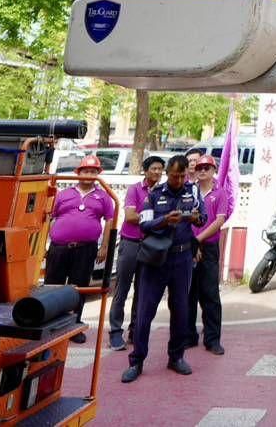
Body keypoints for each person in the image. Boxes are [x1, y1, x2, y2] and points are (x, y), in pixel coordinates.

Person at [122, 154, 204, 383]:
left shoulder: (193, 192)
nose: (178, 180)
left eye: (182, 175)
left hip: (182, 259)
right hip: (156, 259)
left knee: (180, 310)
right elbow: (144, 224)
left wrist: (195, 219)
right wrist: (165, 220)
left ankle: (176, 357)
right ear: (167, 173)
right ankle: (136, 360)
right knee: (145, 312)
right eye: (174, 175)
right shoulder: (154, 194)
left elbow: (203, 218)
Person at [45, 153, 115, 343]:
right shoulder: (64, 194)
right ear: (79, 172)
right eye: (86, 170)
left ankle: (74, 324)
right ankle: (50, 324)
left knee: (80, 286)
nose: (89, 174)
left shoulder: (104, 196)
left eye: (94, 171)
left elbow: (110, 220)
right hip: (59, 248)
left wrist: (105, 246)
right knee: (53, 285)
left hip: (86, 249)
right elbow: (49, 217)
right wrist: (45, 244)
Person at [108, 154, 164, 351]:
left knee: (143, 290)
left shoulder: (164, 192)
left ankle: (135, 330)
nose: (157, 172)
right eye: (154, 168)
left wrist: (153, 219)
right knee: (122, 289)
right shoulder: (134, 189)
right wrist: (156, 219)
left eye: (160, 169)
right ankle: (115, 331)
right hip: (130, 243)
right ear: (145, 170)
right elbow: (130, 216)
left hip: (151, 245)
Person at [187, 154, 232, 356]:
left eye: (207, 168)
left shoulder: (220, 193)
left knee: (210, 295)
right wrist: (191, 242)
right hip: (188, 249)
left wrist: (198, 240)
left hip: (209, 249)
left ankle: (212, 339)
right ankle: (188, 336)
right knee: (188, 294)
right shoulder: (189, 192)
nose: (203, 171)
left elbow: (219, 221)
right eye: (200, 168)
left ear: (214, 171)